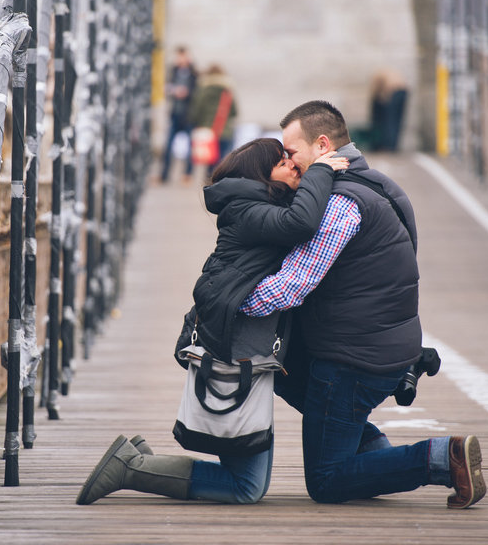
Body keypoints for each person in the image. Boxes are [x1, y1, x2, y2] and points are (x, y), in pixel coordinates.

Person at [239, 100, 487, 509]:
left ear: (322, 146)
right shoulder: (381, 186)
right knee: (284, 374)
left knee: (326, 480)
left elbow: (291, 288)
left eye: (292, 153)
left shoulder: (339, 202)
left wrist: (227, 305)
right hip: (386, 346)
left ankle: (441, 458)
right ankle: (375, 454)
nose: (288, 162)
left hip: (352, 361)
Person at [76, 138, 349, 505]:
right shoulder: (247, 209)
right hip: (234, 347)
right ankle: (131, 467)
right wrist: (318, 171)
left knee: (250, 483)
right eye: (281, 160)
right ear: (260, 171)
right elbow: (300, 223)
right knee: (246, 487)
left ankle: (141, 458)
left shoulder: (257, 203)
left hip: (246, 344)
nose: (291, 164)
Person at [188, 64, 238, 174]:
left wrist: (197, 122)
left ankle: (209, 180)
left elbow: (197, 109)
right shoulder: (227, 90)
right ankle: (219, 180)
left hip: (207, 130)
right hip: (225, 130)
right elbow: (234, 112)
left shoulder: (203, 89)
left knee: (211, 159)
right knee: (223, 159)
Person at [159, 46, 197, 183]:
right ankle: (164, 175)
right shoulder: (173, 71)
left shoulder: (194, 73)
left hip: (188, 115)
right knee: (168, 146)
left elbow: (196, 92)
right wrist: (172, 90)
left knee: (190, 148)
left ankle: (187, 174)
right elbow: (167, 87)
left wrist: (187, 93)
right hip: (175, 113)